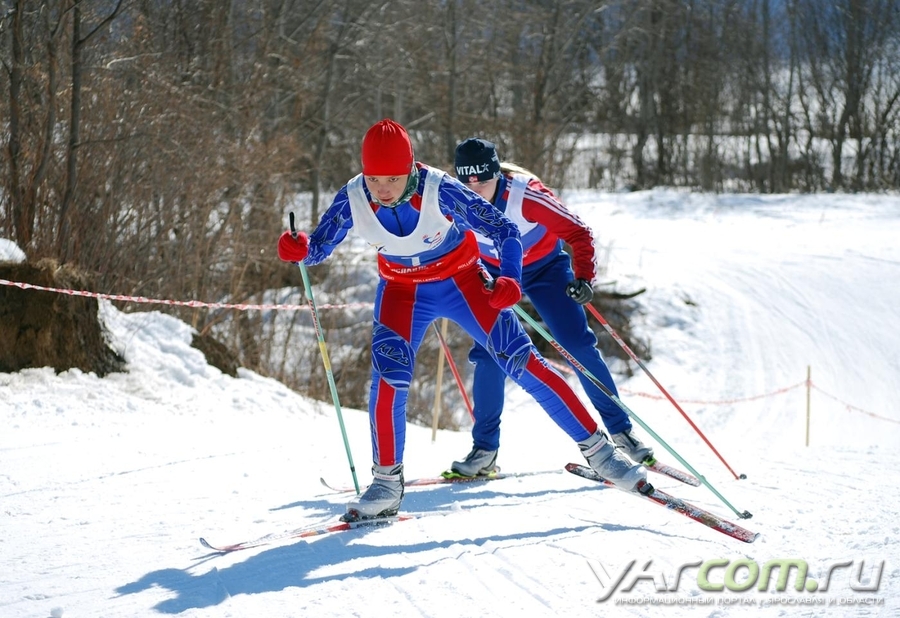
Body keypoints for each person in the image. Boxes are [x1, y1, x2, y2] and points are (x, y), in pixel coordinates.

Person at [277, 119, 645, 521]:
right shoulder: (353, 196)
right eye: (375, 177)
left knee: (523, 363)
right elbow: (317, 250)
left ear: (411, 168)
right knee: (386, 380)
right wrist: (301, 247)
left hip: (462, 281)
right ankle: (385, 484)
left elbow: (504, 230)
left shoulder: (440, 189)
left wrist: (508, 277)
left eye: (393, 178)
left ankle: (601, 454)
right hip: (402, 291)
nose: (382, 189)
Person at [448, 137, 654, 478]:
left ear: (496, 174)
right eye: (466, 182)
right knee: (489, 354)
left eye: (482, 181)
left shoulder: (526, 196)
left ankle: (620, 432)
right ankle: (484, 450)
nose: (475, 190)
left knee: (576, 344)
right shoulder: (453, 200)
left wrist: (585, 277)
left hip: (544, 268)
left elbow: (579, 232)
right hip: (495, 274)